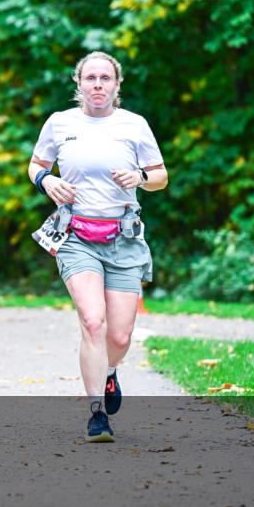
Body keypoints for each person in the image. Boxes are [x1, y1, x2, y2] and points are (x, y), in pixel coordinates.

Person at [27, 51, 168, 443]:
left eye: (106, 78)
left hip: (123, 238)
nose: (98, 85)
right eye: (91, 78)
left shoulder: (134, 125)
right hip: (76, 237)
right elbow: (36, 164)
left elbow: (160, 177)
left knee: (119, 337)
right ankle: (96, 414)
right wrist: (46, 182)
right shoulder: (60, 123)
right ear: (79, 84)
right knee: (93, 322)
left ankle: (109, 372)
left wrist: (139, 176)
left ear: (117, 85)